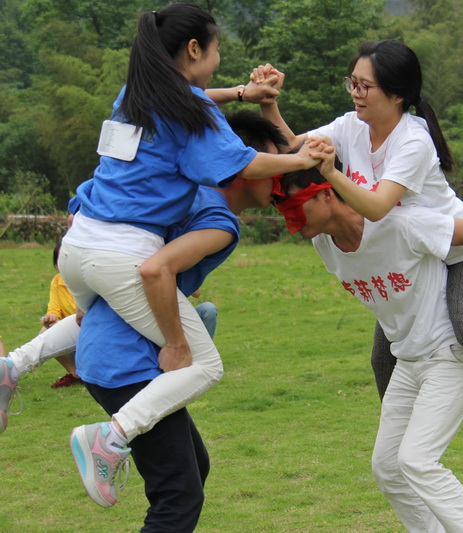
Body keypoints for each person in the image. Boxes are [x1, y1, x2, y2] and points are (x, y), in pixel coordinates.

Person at [57, 3, 317, 501]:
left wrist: (241, 93)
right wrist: (299, 157)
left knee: (93, 321)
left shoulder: (134, 95)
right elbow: (241, 163)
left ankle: (17, 364)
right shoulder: (191, 115)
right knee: (202, 364)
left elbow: (192, 98)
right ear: (194, 49)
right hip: (121, 253)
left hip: (78, 246)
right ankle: (110, 437)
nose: (217, 62)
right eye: (217, 49)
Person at [2, 111, 288, 526]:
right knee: (178, 495)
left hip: (102, 347)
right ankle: (107, 438)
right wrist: (176, 342)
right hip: (127, 363)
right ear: (244, 167)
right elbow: (154, 271)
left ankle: (16, 364)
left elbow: (80, 209)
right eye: (273, 168)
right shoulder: (217, 219)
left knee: (194, 467)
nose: (279, 180)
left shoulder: (175, 188)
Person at [276, 164, 463, 532]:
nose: (288, 219)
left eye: (294, 205)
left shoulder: (399, 224)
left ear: (326, 193)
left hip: (450, 353)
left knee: (417, 461)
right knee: (387, 468)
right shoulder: (324, 244)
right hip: (407, 358)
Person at [257, 39, 463, 401]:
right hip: (410, 254)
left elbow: (377, 207)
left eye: (365, 86)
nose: (355, 93)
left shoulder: (413, 141)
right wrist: (269, 102)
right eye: (352, 83)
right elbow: (294, 150)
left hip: (455, 251)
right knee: (382, 358)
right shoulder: (349, 127)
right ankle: (397, 428)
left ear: (397, 95)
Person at [41, 243, 83, 387]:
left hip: (89, 324)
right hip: (70, 327)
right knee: (45, 332)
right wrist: (50, 319)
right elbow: (54, 310)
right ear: (56, 265)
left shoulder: (86, 279)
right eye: (60, 260)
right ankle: (75, 373)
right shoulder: (57, 281)